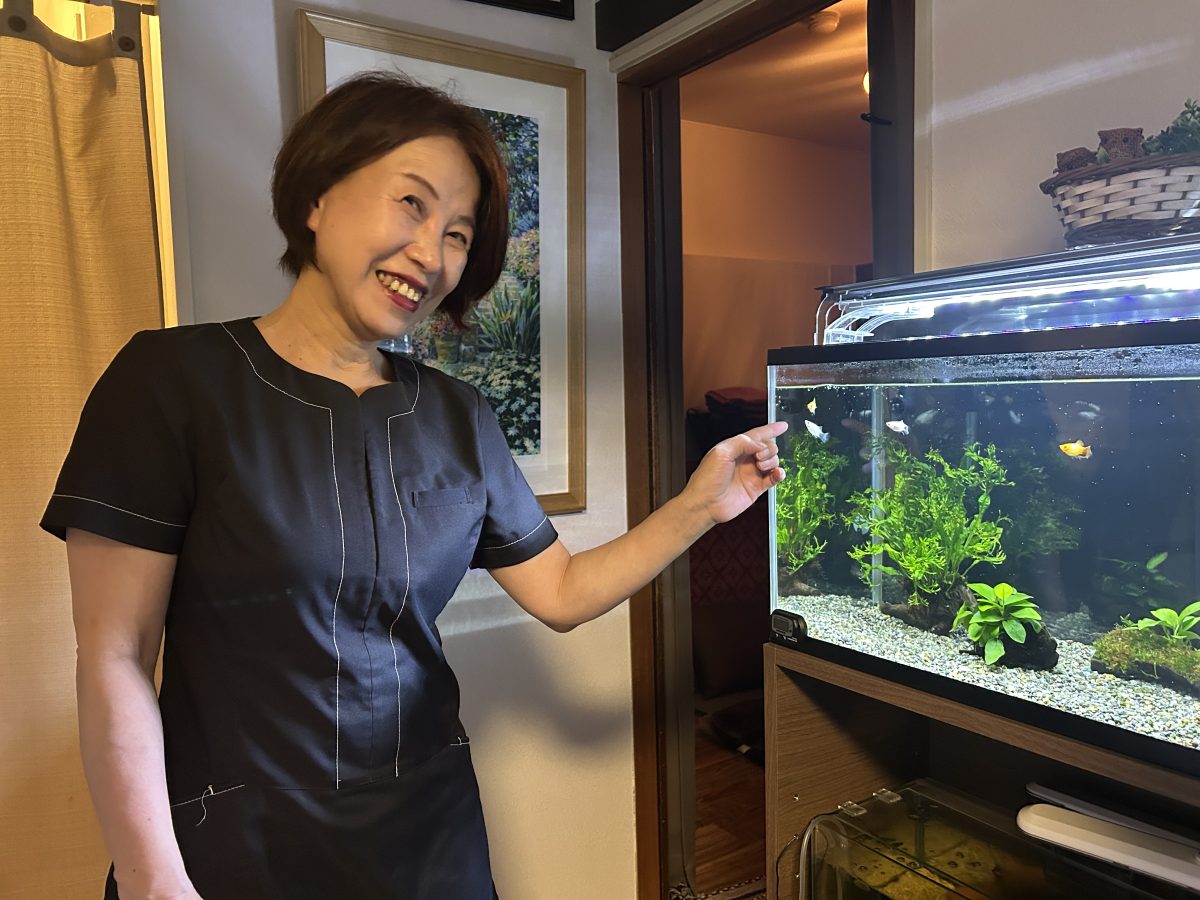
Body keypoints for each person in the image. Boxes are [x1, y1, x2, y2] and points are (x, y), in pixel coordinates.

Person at [41, 71, 786, 900]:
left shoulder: (458, 415)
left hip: (429, 833)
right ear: (318, 196)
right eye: (411, 204)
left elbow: (563, 591)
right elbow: (115, 655)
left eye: (458, 234)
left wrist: (700, 507)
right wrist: (153, 877)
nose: (431, 255)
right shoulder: (172, 382)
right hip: (234, 840)